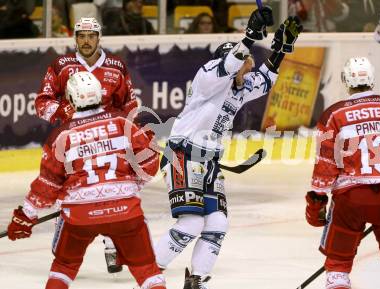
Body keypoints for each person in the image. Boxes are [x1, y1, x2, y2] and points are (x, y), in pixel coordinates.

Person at [153, 6, 303, 289]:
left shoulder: (240, 85)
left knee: (218, 224)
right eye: (245, 60)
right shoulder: (208, 78)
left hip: (209, 162)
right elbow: (228, 64)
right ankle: (148, 274)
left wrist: (281, 49)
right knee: (190, 225)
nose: (249, 65)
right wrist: (248, 38)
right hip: (183, 155)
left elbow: (265, 78)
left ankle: (196, 280)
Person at [6, 71, 165, 289]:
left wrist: (25, 216)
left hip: (79, 216)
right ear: (99, 95)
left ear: (70, 99)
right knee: (148, 272)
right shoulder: (122, 123)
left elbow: (47, 185)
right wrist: (131, 184)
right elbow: (149, 164)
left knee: (63, 267)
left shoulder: (61, 136)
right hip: (125, 211)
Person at [306, 57, 380, 289]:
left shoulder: (334, 114)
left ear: (346, 80)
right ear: (371, 79)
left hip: (350, 199)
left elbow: (325, 163)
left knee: (338, 266)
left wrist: (317, 201)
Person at [35, 17, 138, 273]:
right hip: (74, 143)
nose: (86, 41)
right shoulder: (61, 66)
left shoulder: (116, 67)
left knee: (115, 189)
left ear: (99, 37)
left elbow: (130, 106)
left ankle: (113, 246)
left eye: (91, 36)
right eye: (81, 36)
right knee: (72, 194)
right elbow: (42, 103)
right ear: (75, 38)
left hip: (108, 142)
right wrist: (64, 110)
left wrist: (132, 137)